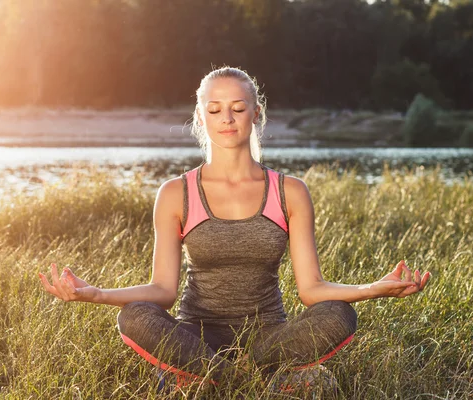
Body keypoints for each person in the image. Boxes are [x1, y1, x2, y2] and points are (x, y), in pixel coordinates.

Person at [38, 66, 431, 392]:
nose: (226, 118)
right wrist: (95, 294)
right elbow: (162, 291)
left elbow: (312, 290)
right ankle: (247, 379)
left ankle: (211, 380)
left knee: (339, 314)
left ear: (256, 113)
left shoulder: (289, 191)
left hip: (270, 338)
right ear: (200, 117)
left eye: (238, 107)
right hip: (193, 339)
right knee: (134, 316)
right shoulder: (176, 193)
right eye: (214, 109)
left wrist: (373, 289)